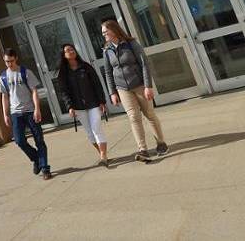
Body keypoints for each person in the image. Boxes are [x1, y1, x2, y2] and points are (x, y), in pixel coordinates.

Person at [101, 20, 169, 162]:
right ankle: (142, 150)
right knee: (133, 117)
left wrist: (147, 86)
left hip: (139, 84)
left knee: (149, 114)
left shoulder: (131, 44)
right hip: (122, 88)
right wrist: (112, 92)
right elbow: (108, 72)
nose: (104, 34)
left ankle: (161, 143)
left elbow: (144, 64)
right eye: (103, 32)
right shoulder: (107, 50)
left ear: (114, 30)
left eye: (105, 31)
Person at [0, 48, 51, 180]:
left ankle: (45, 168)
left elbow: (34, 91)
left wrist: (37, 109)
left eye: (11, 61)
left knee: (39, 139)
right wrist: (5, 114)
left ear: (15, 58)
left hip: (29, 111)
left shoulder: (25, 72)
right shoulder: (3, 76)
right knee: (19, 141)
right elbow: (5, 96)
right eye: (6, 61)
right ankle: (36, 158)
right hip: (15, 113)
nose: (9, 64)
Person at [56, 43, 109, 167]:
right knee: (90, 133)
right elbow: (64, 92)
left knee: (96, 128)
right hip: (78, 107)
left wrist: (102, 101)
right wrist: (69, 107)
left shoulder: (86, 67)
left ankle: (103, 156)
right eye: (68, 50)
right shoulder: (63, 73)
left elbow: (97, 84)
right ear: (63, 55)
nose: (71, 51)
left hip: (93, 103)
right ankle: (102, 153)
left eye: (72, 49)